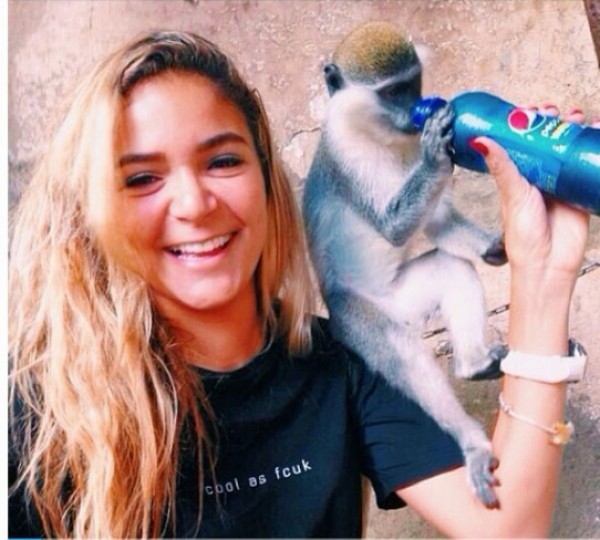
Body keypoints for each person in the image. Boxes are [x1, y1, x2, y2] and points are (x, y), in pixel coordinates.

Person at [8, 30, 593, 538]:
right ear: (94, 210)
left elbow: (507, 528)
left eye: (222, 161)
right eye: (141, 178)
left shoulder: (341, 363)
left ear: (266, 178)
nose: (193, 203)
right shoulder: (39, 410)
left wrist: (542, 269)